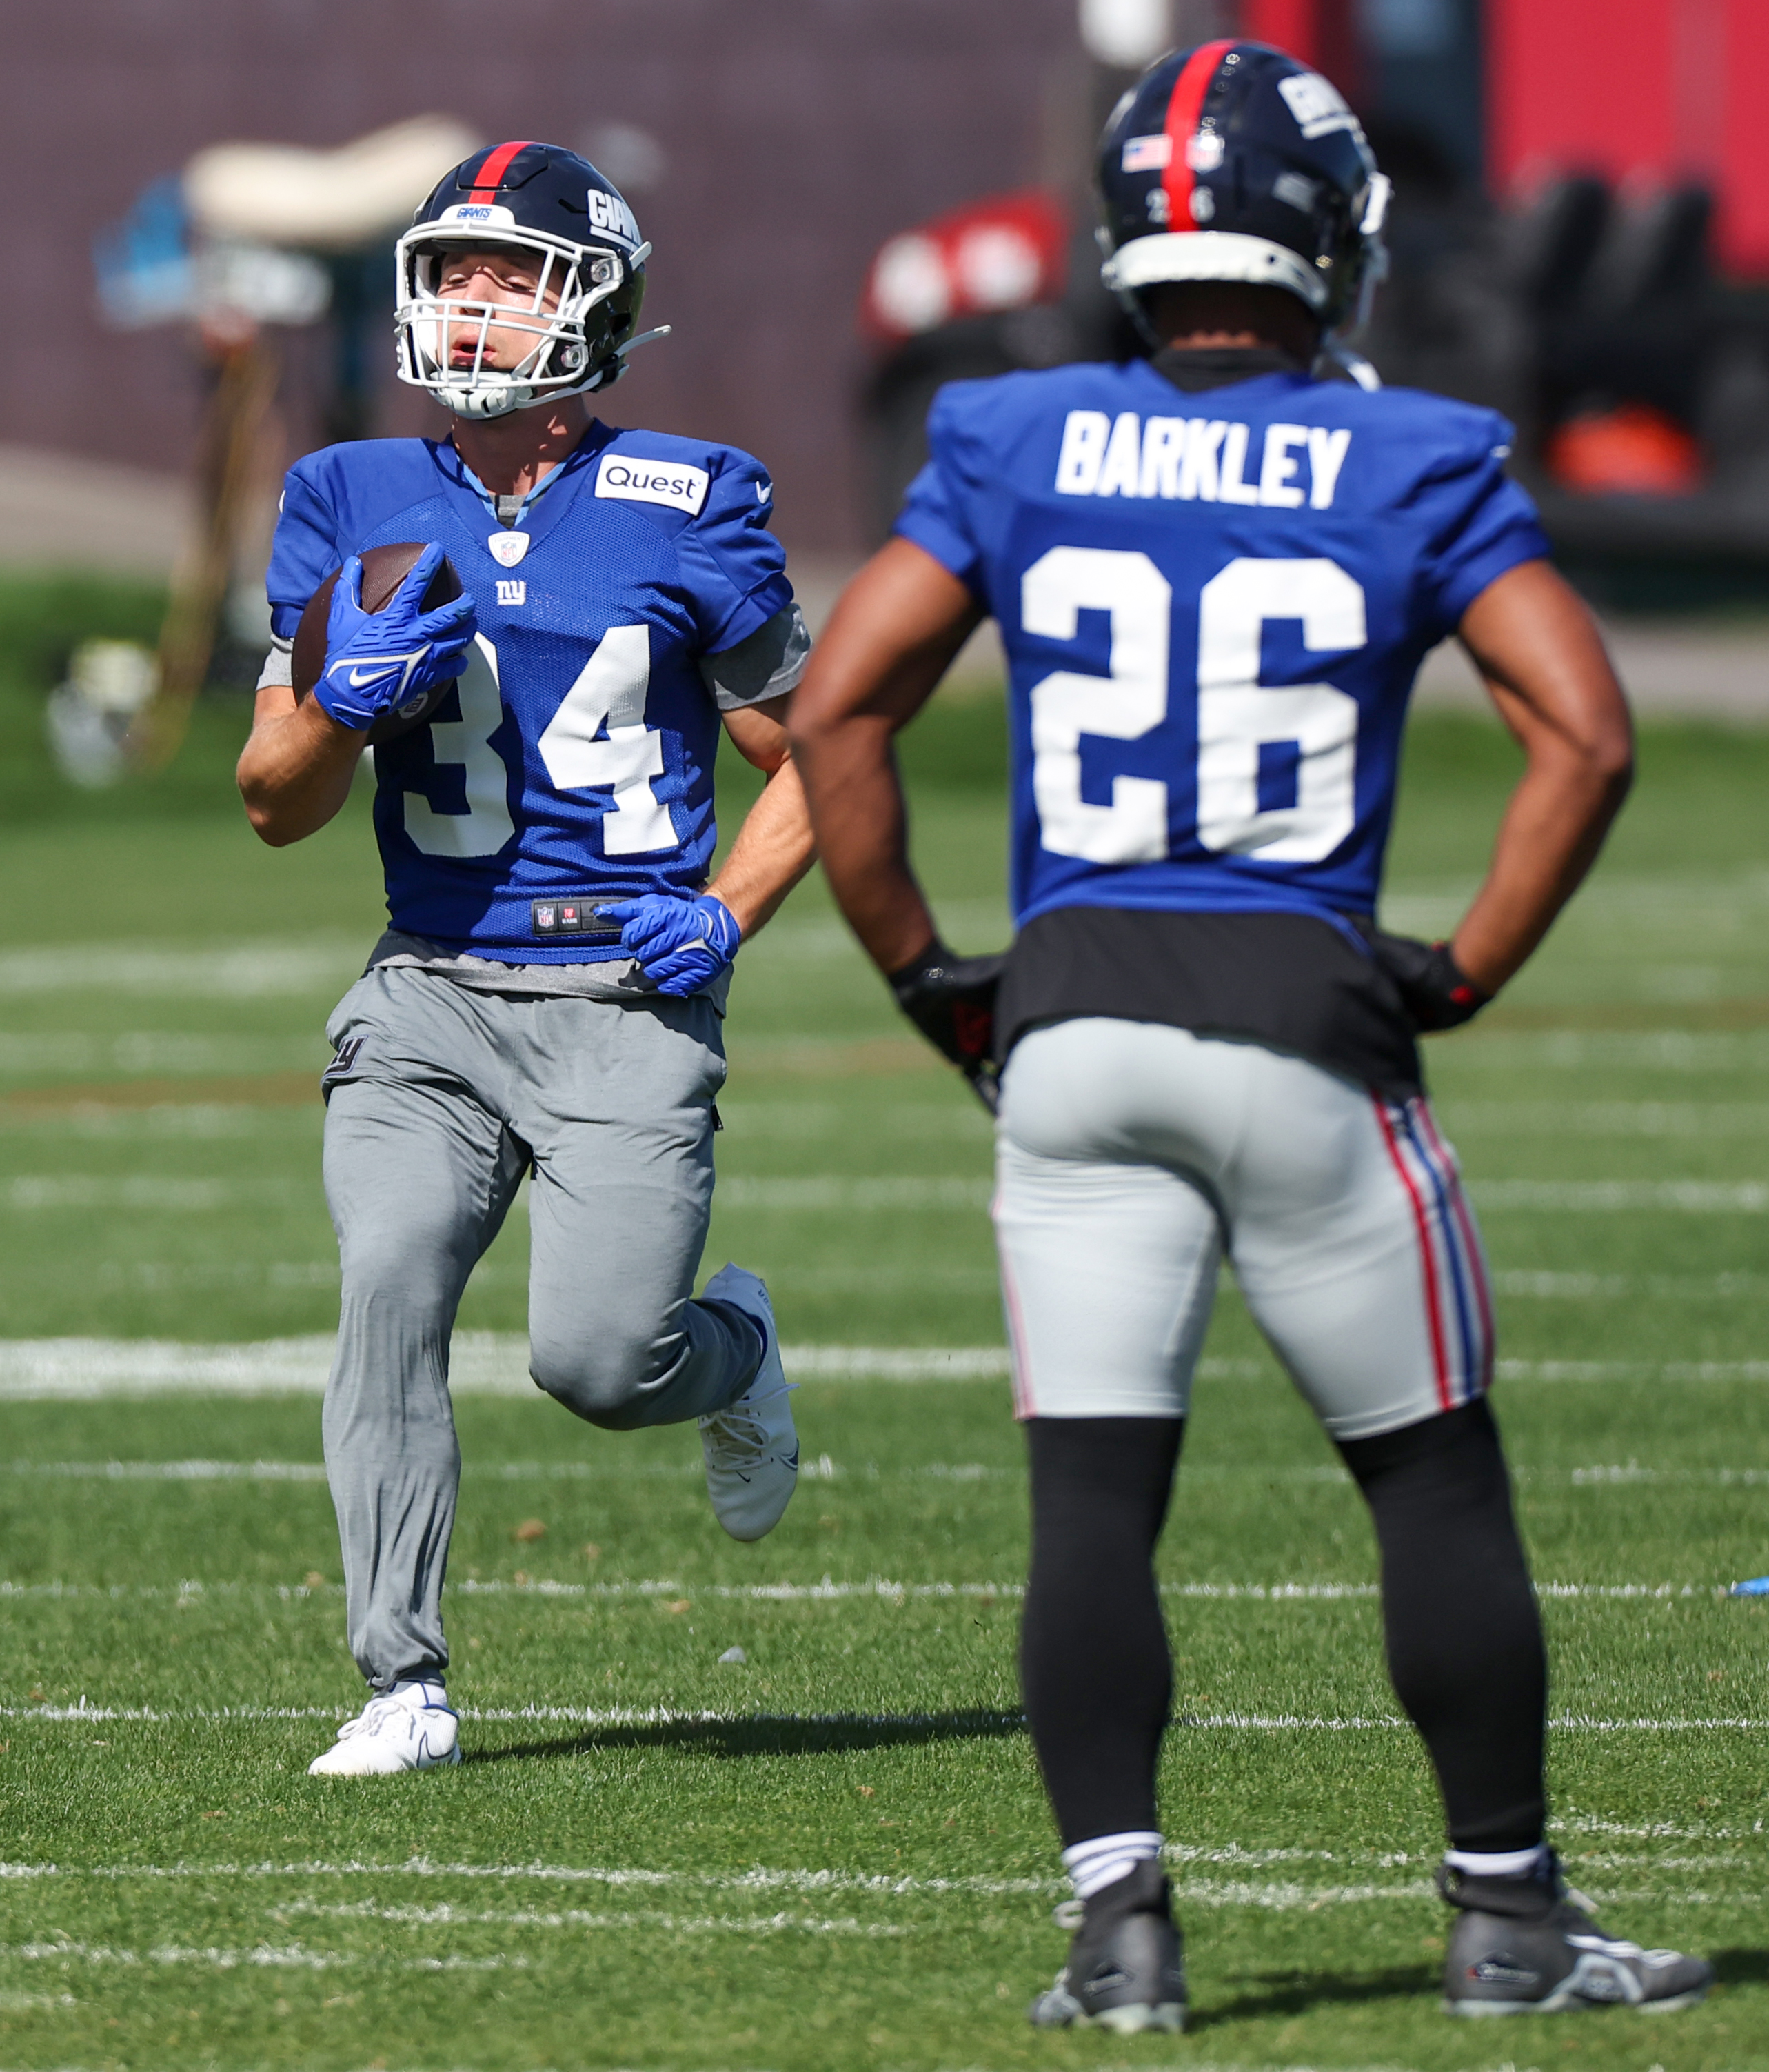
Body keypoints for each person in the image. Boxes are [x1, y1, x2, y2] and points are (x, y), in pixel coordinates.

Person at [790, 40, 1712, 2029]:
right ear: (1332, 246)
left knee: (1089, 1501)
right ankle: (1509, 1914)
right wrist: (1456, 964)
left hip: (1071, 1027)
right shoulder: (1415, 452)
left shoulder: (1011, 431)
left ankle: (1116, 1932)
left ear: (1129, 236)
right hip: (1299, 1025)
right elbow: (1585, 732)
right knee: (1431, 1481)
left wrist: (925, 969)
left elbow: (842, 701)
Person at [237, 143, 809, 1777]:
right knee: (387, 1278)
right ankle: (401, 1681)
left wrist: (728, 912)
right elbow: (272, 806)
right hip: (426, 988)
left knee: (600, 1364)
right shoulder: (347, 493)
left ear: (597, 309)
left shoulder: (691, 497)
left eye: (512, 273)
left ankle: (737, 1354)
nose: (471, 303)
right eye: (450, 272)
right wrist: (337, 707)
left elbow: (824, 756)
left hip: (624, 994)